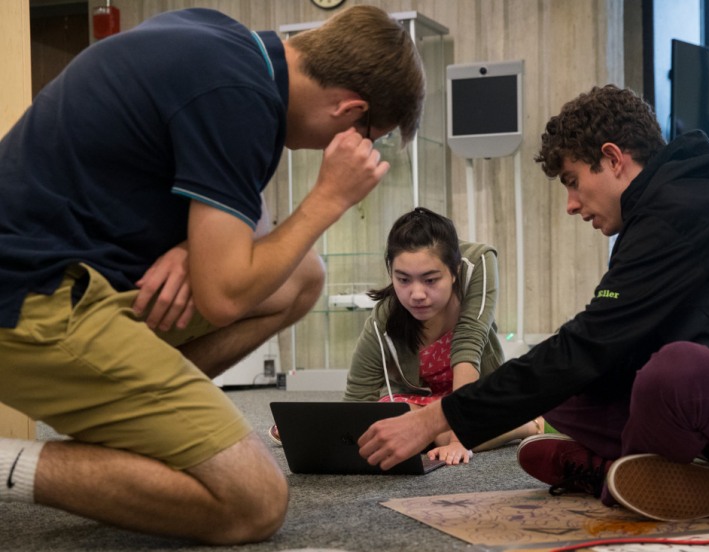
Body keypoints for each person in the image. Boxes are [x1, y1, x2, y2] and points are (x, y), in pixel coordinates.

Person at [356, 85, 709, 522]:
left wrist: (439, 417)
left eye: (574, 182)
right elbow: (599, 351)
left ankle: (617, 473)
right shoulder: (664, 211)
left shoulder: (681, 212)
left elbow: (593, 343)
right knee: (571, 387)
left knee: (673, 373)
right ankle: (680, 476)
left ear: (614, 158)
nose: (572, 205)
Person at [0, 6, 424, 544]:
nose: (361, 150)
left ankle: (141, 424)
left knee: (302, 277)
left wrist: (189, 241)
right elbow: (223, 297)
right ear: (350, 110)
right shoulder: (239, 99)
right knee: (253, 502)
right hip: (31, 300)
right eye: (369, 136)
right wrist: (329, 198)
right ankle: (8, 463)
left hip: (70, 274)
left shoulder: (227, 44)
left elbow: (247, 218)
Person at [267, 207, 541, 464]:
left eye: (430, 280)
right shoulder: (383, 320)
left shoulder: (476, 265)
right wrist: (324, 432)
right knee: (390, 415)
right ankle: (475, 425)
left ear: (454, 272)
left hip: (473, 395)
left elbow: (469, 341)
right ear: (391, 273)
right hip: (422, 405)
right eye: (403, 279)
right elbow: (357, 400)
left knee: (439, 432)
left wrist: (460, 439)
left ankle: (526, 425)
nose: (417, 294)